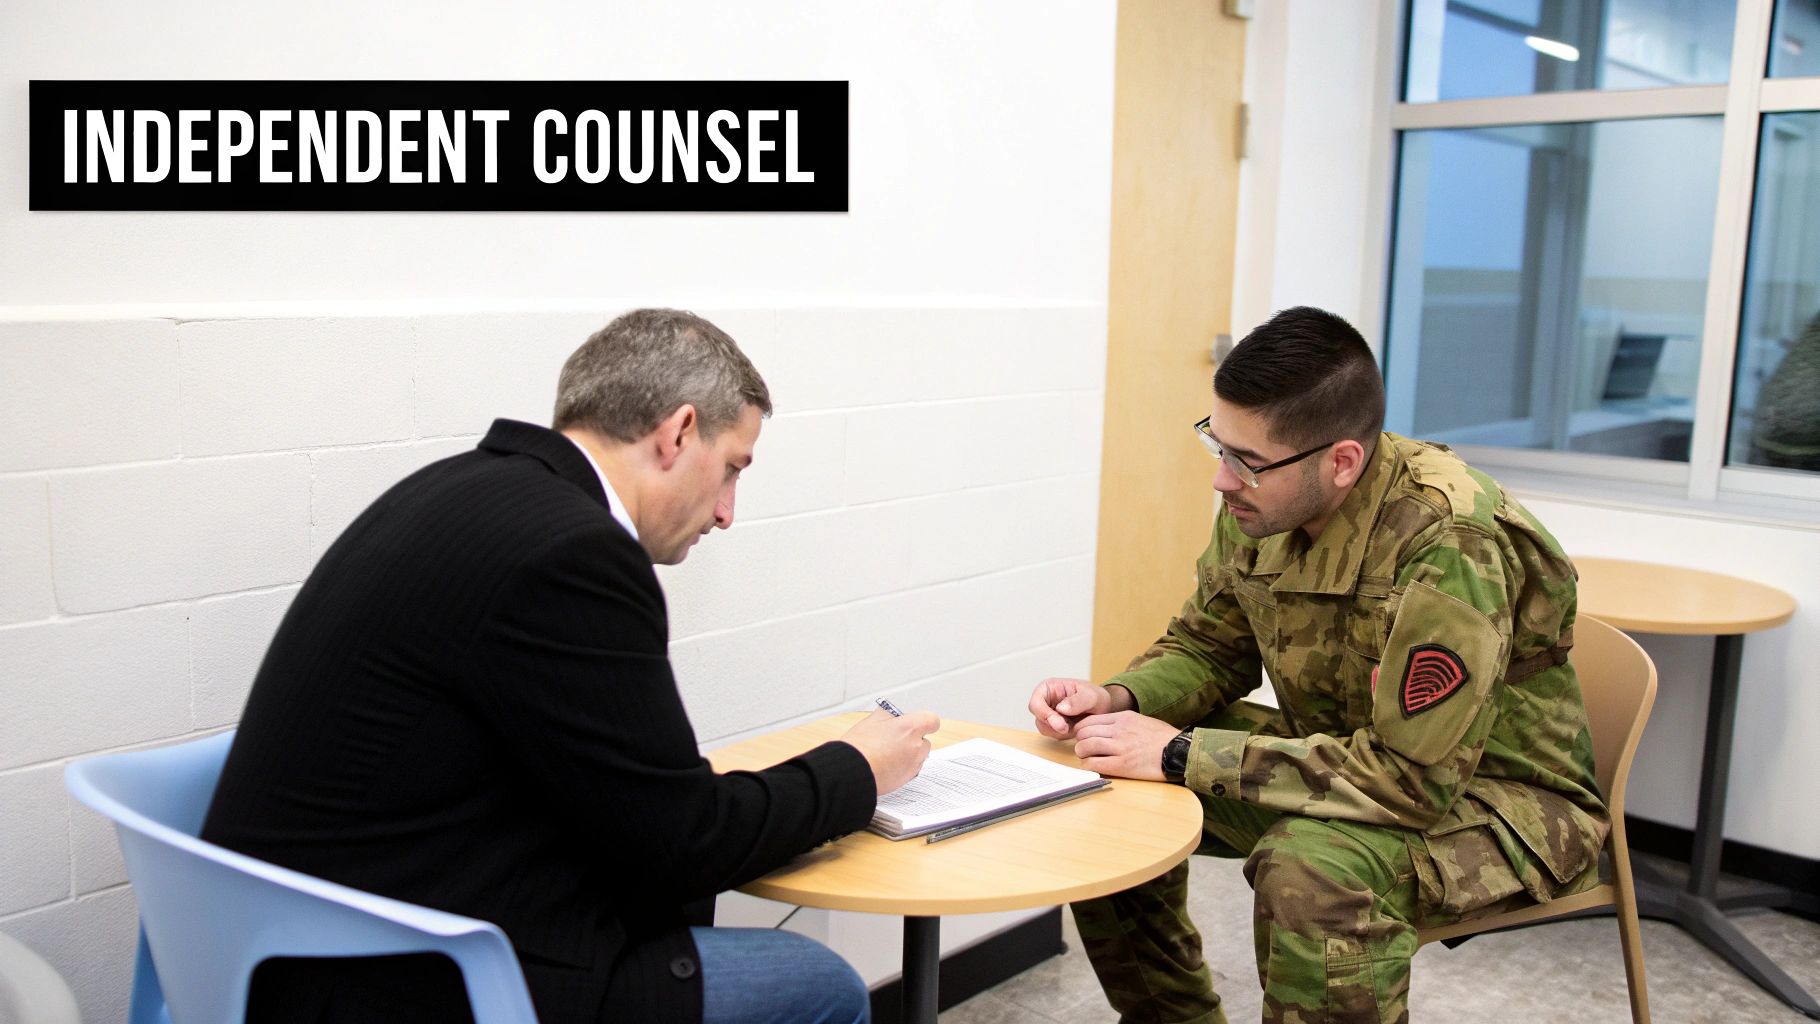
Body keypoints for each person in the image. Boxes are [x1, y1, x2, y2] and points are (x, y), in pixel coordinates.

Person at [202, 308, 938, 1024]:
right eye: (731, 470)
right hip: (397, 979)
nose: (726, 513)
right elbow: (685, 844)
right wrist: (858, 769)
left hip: (282, 947)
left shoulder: (459, 489)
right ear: (679, 432)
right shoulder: (575, 554)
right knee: (820, 984)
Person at [1028, 307, 1606, 1024]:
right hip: (1349, 767)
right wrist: (1117, 698)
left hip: (1499, 803)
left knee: (1314, 868)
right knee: (1101, 774)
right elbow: (1210, 646)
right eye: (1218, 443)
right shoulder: (1261, 504)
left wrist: (1181, 754)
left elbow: (1413, 782)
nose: (1220, 478)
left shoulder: (1450, 542)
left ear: (1341, 461)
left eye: (1246, 460)